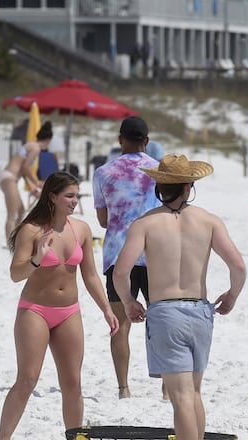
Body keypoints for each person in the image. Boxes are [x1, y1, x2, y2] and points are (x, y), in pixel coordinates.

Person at [112, 154, 247, 440]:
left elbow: (121, 271)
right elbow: (238, 266)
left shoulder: (145, 223)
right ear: (189, 187)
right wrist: (233, 295)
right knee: (194, 392)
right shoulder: (209, 221)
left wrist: (128, 301)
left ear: (159, 187)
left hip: (166, 312)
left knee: (181, 397)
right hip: (200, 310)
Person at [0, 171, 119, 438]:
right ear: (52, 197)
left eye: (77, 195)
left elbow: (89, 275)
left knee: (73, 383)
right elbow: (15, 274)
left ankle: (74, 436)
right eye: (69, 196)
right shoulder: (31, 230)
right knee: (27, 379)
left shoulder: (82, 229)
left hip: (69, 312)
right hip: (35, 311)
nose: (75, 201)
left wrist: (106, 308)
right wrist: (36, 259)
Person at [92, 116, 162, 399]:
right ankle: (168, 387)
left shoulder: (103, 172)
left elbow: (103, 220)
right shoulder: (160, 170)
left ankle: (123, 388)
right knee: (162, 322)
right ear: (146, 141)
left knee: (119, 326)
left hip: (118, 256)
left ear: (120, 139)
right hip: (155, 253)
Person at [0, 121, 53, 245]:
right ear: (48, 140)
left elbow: (23, 169)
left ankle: (15, 239)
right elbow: (26, 168)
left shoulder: (30, 145)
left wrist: (33, 187)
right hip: (9, 178)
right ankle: (9, 243)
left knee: (21, 210)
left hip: (9, 177)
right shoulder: (36, 148)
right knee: (12, 213)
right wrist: (37, 182)